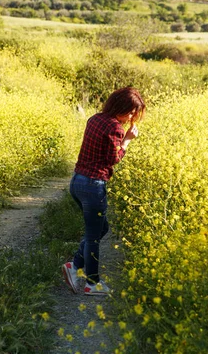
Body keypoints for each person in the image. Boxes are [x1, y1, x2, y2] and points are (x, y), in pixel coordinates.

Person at [62, 87, 146, 296]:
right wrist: (127, 140)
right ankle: (93, 283)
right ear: (121, 107)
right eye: (130, 112)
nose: (130, 117)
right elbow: (113, 159)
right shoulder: (115, 128)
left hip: (77, 182)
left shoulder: (94, 118)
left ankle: (74, 265)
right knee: (93, 236)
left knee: (101, 229)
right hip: (93, 185)